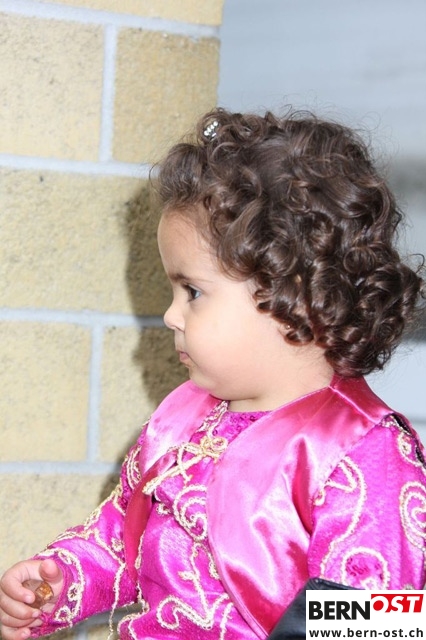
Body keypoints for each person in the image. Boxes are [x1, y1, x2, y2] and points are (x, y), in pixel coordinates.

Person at [0, 107, 425, 640]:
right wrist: (59, 583)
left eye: (192, 292)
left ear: (293, 296)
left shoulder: (361, 453)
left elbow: (379, 618)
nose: (171, 316)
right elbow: (119, 542)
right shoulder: (181, 421)